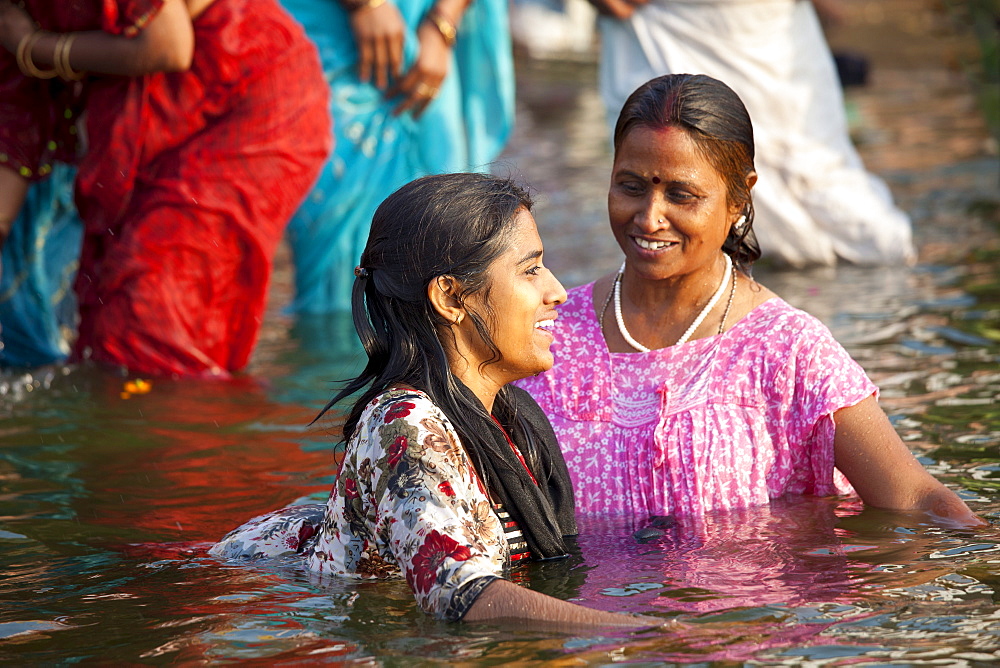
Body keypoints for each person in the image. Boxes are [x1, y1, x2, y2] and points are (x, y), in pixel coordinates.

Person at [515, 74, 984, 528]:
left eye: (682, 194)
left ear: (738, 198)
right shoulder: (548, 330)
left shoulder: (787, 350)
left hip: (737, 610)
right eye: (631, 186)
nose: (650, 217)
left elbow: (913, 498)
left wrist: (979, 562)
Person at [210, 173, 656, 626]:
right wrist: (646, 635)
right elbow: (452, 589)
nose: (557, 291)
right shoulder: (402, 421)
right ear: (451, 296)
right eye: (530, 269)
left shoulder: (512, 417)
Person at [0, 0, 330, 377]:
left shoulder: (20, 33)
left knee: (152, 314)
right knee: (108, 329)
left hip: (245, 95)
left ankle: (187, 428)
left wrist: (33, 46)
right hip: (159, 121)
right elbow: (16, 121)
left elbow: (168, 44)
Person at [585, 0, 914, 267]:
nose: (650, 218)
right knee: (661, 164)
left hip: (749, 24)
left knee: (810, 170)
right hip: (665, 20)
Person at [280, 0, 514, 314]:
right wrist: (366, 6)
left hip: (428, 34)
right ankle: (335, 354)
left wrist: (442, 20)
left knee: (443, 233)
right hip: (332, 38)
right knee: (333, 261)